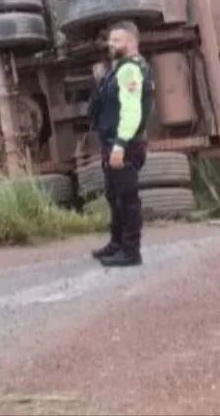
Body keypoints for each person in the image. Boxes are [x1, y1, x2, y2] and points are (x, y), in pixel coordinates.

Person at [88, 21, 154, 267]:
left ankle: (130, 251)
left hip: (125, 144)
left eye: (116, 40)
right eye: (110, 40)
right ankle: (116, 244)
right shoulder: (121, 68)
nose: (110, 44)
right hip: (113, 142)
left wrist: (120, 145)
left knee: (127, 199)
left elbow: (132, 110)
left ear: (131, 41)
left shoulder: (130, 70)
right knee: (114, 196)